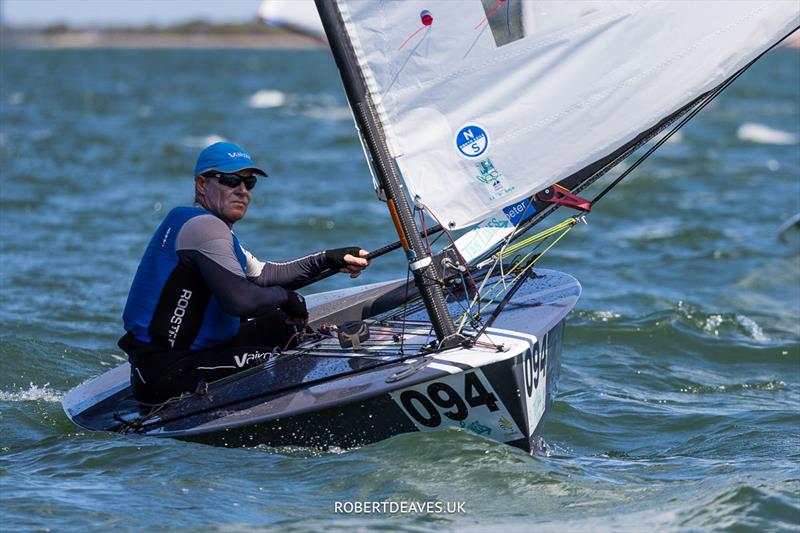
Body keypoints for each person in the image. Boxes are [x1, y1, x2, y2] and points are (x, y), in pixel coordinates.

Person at [118, 142, 369, 404]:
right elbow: (241, 301)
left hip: (196, 354)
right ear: (202, 184)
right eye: (230, 180)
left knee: (277, 323)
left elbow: (264, 275)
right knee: (282, 361)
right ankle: (308, 407)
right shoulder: (205, 229)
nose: (242, 191)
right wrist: (286, 297)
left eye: (249, 183)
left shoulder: (205, 226)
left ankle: (296, 390)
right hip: (169, 372)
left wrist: (328, 259)